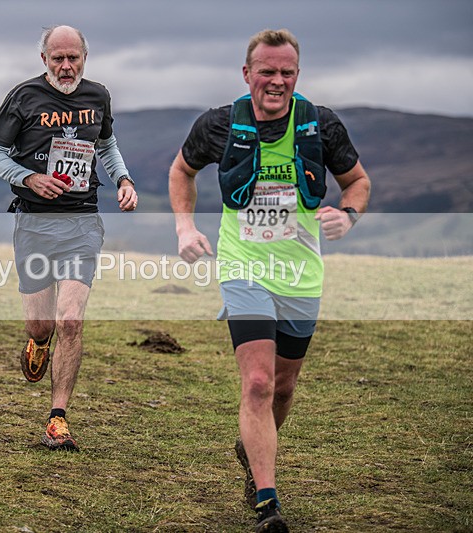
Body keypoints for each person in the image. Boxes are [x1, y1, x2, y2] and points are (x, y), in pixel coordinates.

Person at [169, 29, 370, 532]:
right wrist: (185, 226)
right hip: (244, 268)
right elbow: (181, 170)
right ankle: (267, 501)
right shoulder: (218, 124)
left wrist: (348, 215)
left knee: (283, 387)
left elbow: (358, 182)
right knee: (257, 381)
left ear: (297, 76)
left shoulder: (322, 124)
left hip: (301, 273)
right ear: (247, 73)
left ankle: (252, 444)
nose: (276, 81)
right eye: (267, 71)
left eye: (286, 73)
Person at [0, 25, 137, 451]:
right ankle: (37, 341)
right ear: (45, 61)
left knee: (70, 321)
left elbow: (106, 144)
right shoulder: (23, 98)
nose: (67, 67)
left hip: (82, 222)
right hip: (33, 223)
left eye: (74, 58)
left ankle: (57, 418)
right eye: (58, 59)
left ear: (84, 57)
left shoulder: (98, 96)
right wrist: (30, 178)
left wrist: (123, 180)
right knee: (43, 324)